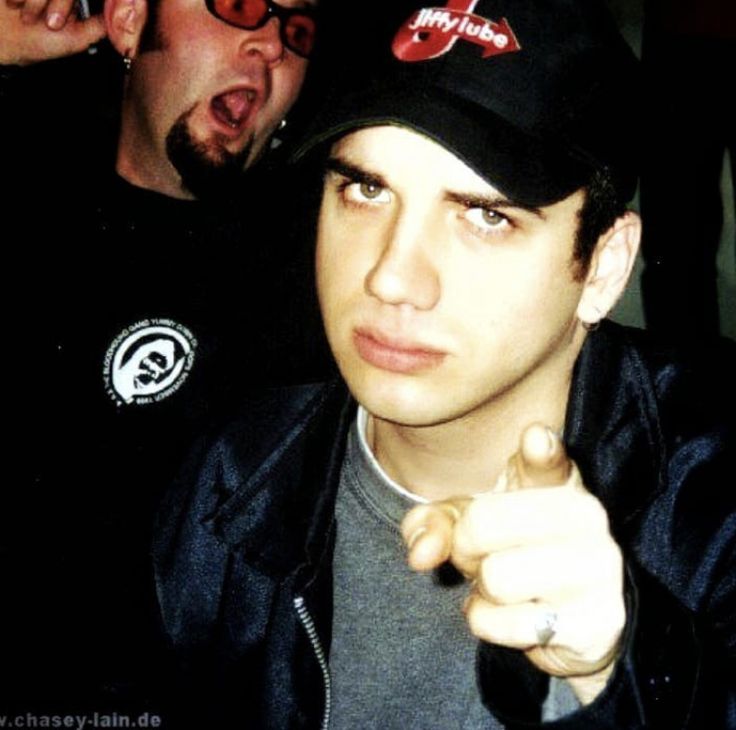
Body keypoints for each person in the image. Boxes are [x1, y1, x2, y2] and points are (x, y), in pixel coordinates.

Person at [153, 0, 735, 727]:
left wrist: (631, 669)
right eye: (366, 189)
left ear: (605, 268)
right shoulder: (231, 477)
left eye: (485, 216)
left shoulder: (716, 505)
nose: (391, 278)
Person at [0, 0, 331, 719]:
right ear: (126, 23)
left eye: (297, 28)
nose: (272, 43)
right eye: (237, 4)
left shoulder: (320, 267)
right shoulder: (19, 196)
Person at [639, 0, 735, 343]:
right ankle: (683, 377)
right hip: (681, 37)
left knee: (675, 236)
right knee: (675, 237)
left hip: (682, 38)